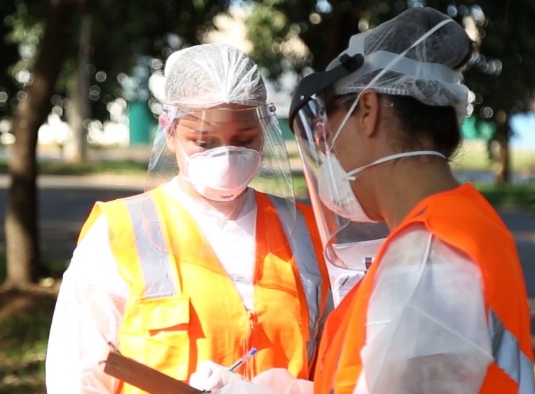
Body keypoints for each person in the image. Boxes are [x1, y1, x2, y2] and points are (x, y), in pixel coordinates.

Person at [190, 7, 535, 394]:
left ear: (367, 111)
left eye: (327, 130)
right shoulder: (460, 227)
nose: (328, 150)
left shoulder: (427, 258)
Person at [45, 43, 331, 394]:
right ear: (169, 130)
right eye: (204, 142)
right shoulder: (119, 232)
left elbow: (336, 360)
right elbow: (77, 375)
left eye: (245, 139)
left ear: (265, 128)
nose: (227, 156)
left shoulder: (305, 230)